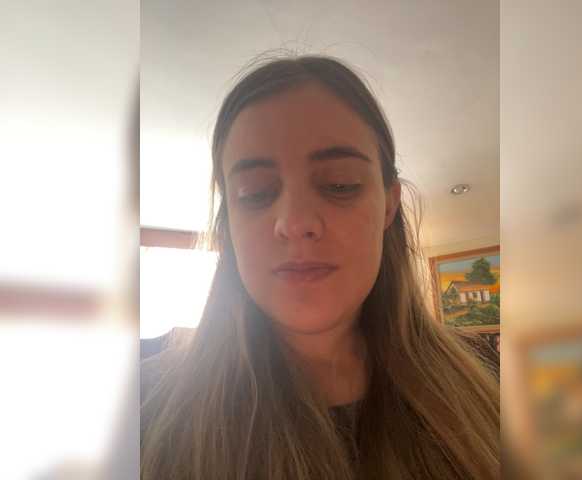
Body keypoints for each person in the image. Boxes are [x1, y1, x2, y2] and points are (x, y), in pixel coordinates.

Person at [141, 53, 499, 479]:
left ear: (389, 205)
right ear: (229, 223)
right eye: (254, 192)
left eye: (340, 184)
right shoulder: (143, 409)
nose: (295, 222)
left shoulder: (491, 382)